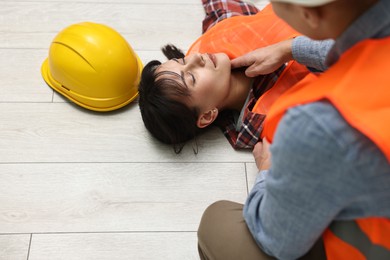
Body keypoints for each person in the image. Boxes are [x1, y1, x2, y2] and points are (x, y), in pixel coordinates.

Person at [198, 0, 390, 259]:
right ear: (205, 116)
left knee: (217, 222)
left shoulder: (314, 123)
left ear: (309, 15)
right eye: (187, 75)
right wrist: (291, 48)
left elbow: (280, 240)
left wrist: (267, 170)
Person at [138, 0, 313, 152]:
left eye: (182, 61)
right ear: (207, 116)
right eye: (192, 77)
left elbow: (222, 8)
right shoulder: (272, 121)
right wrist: (291, 50)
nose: (197, 58)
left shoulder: (218, 40)